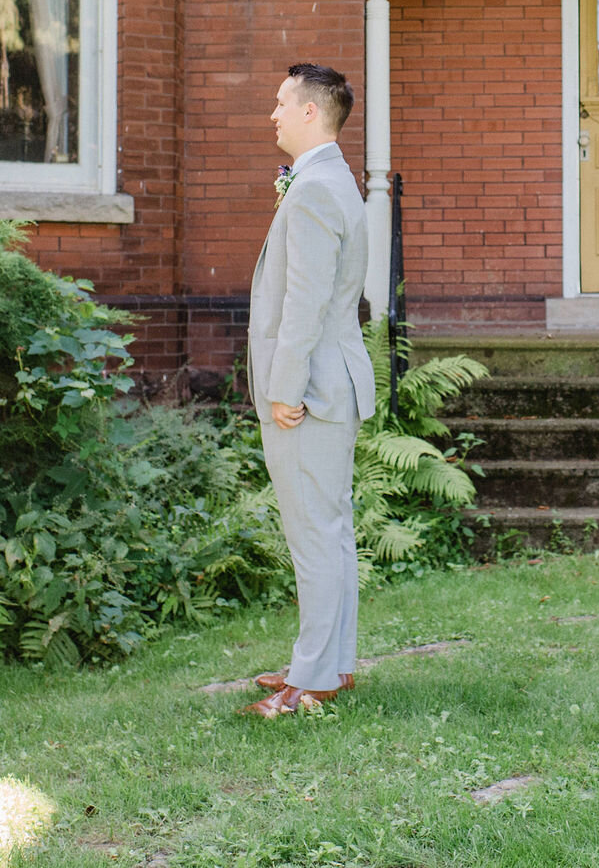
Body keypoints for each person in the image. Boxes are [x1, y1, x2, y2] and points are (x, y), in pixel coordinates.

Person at [240, 63, 377, 719]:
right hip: (327, 383)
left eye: (281, 102)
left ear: (311, 114)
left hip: (311, 390)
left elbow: (305, 301)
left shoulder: (318, 188)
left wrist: (282, 387)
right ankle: (328, 662)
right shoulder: (328, 180)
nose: (273, 113)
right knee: (330, 528)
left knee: (314, 533)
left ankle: (315, 679)